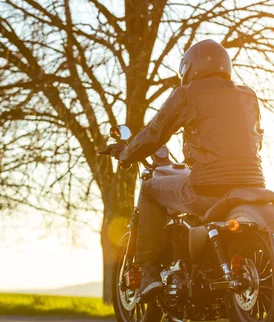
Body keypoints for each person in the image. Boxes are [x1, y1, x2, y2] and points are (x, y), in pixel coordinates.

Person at [101, 39, 265, 302]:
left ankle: (149, 272)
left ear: (190, 68)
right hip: (252, 184)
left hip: (206, 186)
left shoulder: (187, 93)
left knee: (150, 188)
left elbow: (156, 133)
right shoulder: (248, 95)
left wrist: (127, 154)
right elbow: (256, 136)